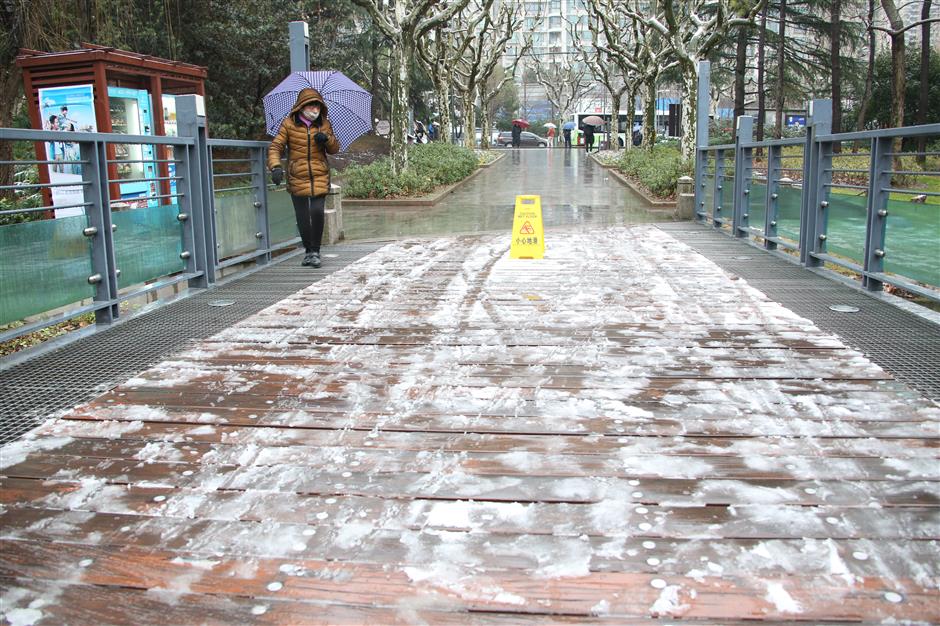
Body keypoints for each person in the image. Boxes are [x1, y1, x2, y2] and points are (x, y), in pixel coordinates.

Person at [267, 88, 340, 269]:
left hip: (319, 175)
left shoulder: (324, 124)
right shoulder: (289, 124)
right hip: (296, 175)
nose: (315, 110)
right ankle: (308, 251)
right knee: (302, 216)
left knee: (316, 211)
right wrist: (275, 166)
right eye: (311, 106)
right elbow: (276, 146)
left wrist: (327, 139)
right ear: (301, 106)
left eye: (318, 106)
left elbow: (334, 148)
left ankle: (315, 251)